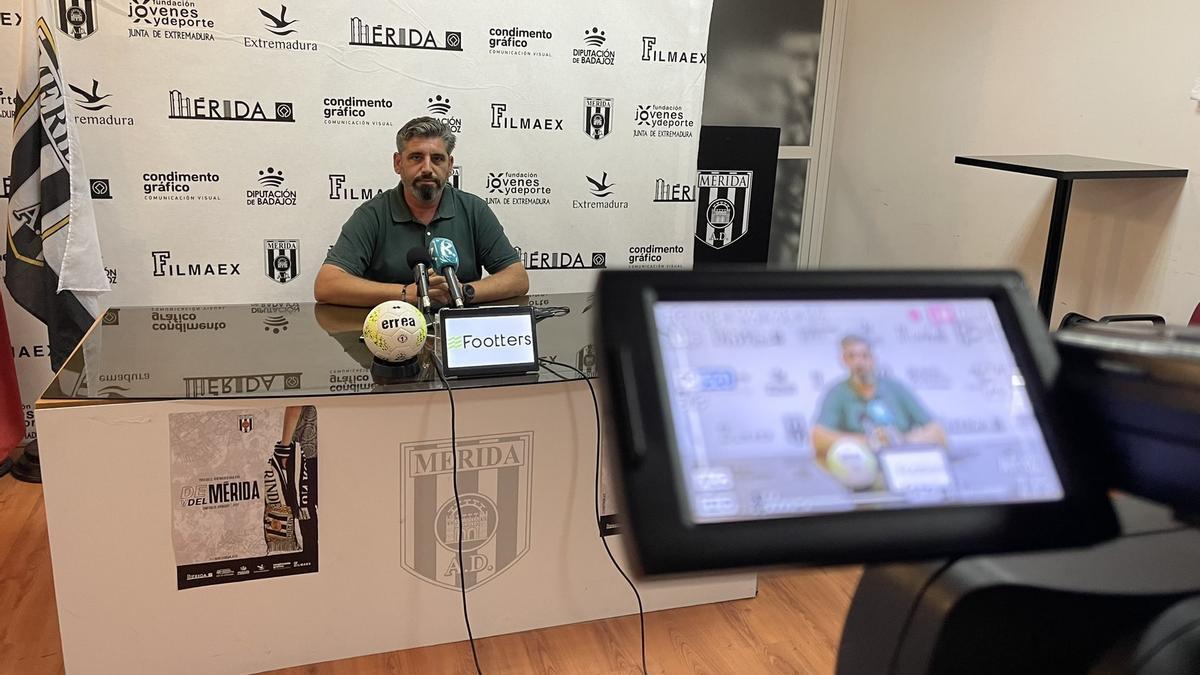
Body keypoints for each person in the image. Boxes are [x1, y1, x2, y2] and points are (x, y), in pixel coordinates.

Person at [314, 117, 529, 307]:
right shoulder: (372, 214)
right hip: (393, 336)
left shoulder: (474, 210)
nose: (427, 168)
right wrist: (409, 294)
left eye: (437, 158)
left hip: (459, 337)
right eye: (416, 157)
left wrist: (461, 292)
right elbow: (327, 284)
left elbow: (517, 278)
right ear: (398, 163)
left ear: (450, 165)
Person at [810, 335, 947, 466]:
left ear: (873, 358)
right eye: (852, 357)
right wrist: (869, 443)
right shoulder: (837, 393)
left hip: (902, 462)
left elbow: (937, 433)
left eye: (864, 356)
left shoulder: (895, 388)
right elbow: (818, 437)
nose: (859, 363)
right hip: (860, 466)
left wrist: (900, 442)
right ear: (844, 360)